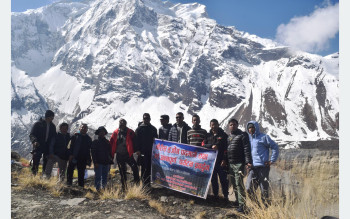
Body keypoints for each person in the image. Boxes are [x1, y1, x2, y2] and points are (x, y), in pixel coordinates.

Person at [245, 120, 279, 207]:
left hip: (263, 167)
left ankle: (266, 208)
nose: (251, 129)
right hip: (252, 168)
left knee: (264, 190)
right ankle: (257, 206)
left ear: (256, 128)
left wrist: (272, 160)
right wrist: (246, 162)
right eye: (249, 127)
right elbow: (245, 151)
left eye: (252, 127)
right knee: (248, 188)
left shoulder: (264, 137)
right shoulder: (247, 138)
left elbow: (275, 147)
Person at [225, 118, 252, 214]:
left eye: (234, 124)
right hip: (231, 164)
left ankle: (242, 205)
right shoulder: (229, 137)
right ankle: (237, 201)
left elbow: (246, 149)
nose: (232, 126)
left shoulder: (242, 135)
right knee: (234, 183)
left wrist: (248, 161)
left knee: (239, 183)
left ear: (237, 125)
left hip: (239, 163)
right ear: (229, 126)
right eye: (231, 125)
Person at [202, 119, 229, 202]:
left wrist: (224, 160)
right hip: (211, 162)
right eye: (212, 125)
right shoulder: (207, 135)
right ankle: (216, 195)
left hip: (221, 161)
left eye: (215, 124)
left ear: (218, 125)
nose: (213, 126)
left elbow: (226, 148)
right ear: (210, 126)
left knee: (223, 180)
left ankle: (225, 197)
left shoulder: (224, 135)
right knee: (213, 180)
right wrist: (211, 146)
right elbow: (203, 145)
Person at [110, 119, 140, 191]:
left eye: (123, 123)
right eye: (120, 123)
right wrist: (110, 153)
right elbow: (111, 142)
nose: (121, 124)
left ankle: (137, 185)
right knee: (122, 172)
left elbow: (135, 141)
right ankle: (124, 188)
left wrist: (137, 150)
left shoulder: (130, 132)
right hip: (119, 155)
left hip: (128, 155)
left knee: (135, 168)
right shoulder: (115, 132)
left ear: (125, 124)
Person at [29, 110, 57, 175]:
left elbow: (54, 137)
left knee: (46, 162)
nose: (52, 118)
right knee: (36, 160)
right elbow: (32, 134)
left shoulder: (52, 126)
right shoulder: (38, 124)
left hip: (48, 147)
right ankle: (34, 176)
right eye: (51, 117)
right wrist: (34, 141)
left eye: (52, 117)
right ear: (47, 116)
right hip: (38, 145)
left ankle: (44, 177)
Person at [135, 113, 158, 188]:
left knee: (149, 168)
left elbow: (156, 141)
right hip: (142, 152)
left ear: (150, 119)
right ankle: (144, 185)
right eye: (145, 118)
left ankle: (148, 184)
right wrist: (137, 150)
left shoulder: (153, 129)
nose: (146, 120)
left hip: (151, 152)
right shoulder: (139, 129)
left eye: (147, 118)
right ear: (143, 119)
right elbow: (136, 141)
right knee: (143, 168)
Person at [66, 123, 92, 188]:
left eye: (85, 128)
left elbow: (89, 150)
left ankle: (81, 187)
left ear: (87, 130)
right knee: (70, 171)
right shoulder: (74, 136)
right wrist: (70, 155)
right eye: (82, 127)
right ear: (79, 128)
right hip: (73, 156)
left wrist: (89, 159)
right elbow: (69, 146)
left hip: (83, 158)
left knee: (81, 173)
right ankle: (69, 185)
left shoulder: (88, 139)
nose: (84, 129)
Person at [91, 126, 113, 191]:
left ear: (105, 133)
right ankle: (97, 189)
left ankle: (104, 189)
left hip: (106, 163)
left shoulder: (107, 142)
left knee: (105, 177)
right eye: (100, 132)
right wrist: (95, 162)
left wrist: (109, 162)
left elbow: (109, 153)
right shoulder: (95, 142)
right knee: (98, 177)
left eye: (103, 132)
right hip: (98, 163)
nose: (102, 133)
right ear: (98, 133)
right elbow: (93, 153)